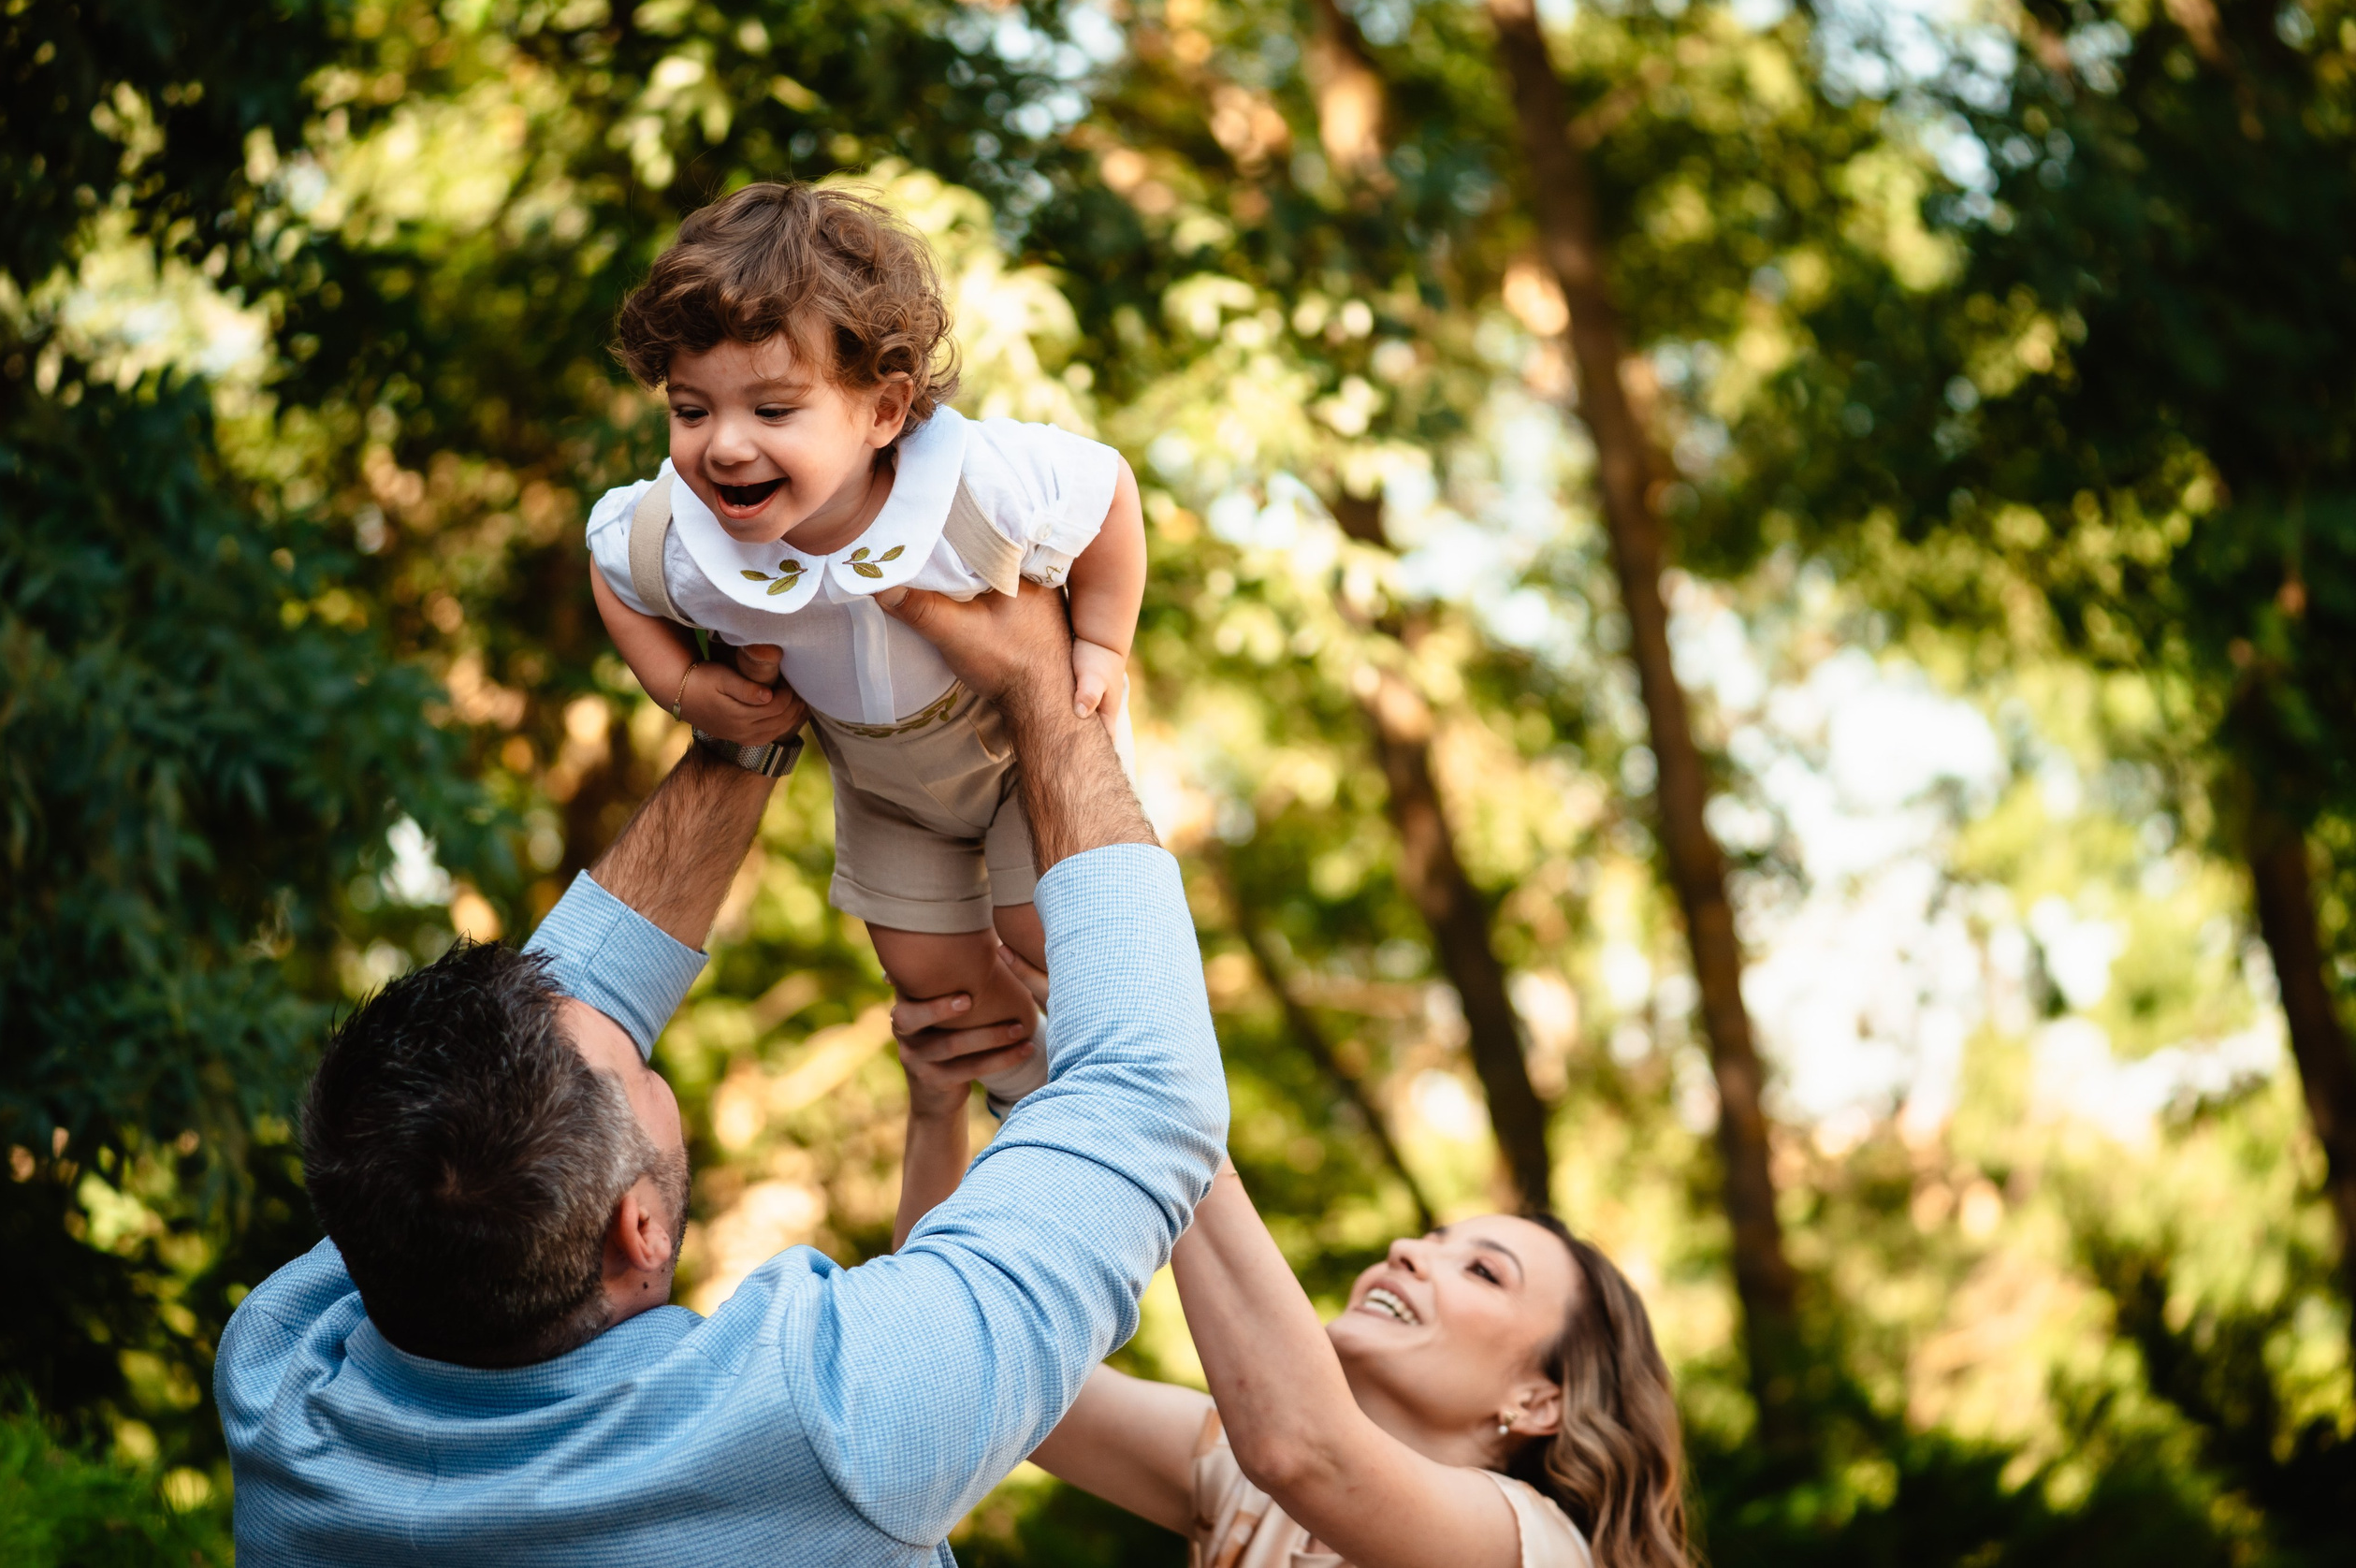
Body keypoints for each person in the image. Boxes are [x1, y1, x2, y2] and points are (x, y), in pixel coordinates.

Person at [214, 581, 1227, 1566]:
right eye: (640, 1066)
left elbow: (574, 1005)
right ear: (639, 1231)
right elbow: (1142, 1092)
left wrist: (751, 728)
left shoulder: (288, 1381)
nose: (630, 1026)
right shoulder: (825, 1429)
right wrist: (1045, 691)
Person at [586, 180, 1146, 1111]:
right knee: (933, 979)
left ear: (884, 410)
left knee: (1046, 930)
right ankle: (1033, 1099)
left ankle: (1140, 1099)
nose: (723, 447)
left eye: (772, 411)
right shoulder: (685, 541)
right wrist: (680, 685)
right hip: (885, 790)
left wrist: (1102, 643)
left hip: (1020, 753)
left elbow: (1107, 492)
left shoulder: (975, 488)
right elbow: (613, 566)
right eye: (691, 411)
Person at [893, 962, 1693, 1568]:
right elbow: (969, 1367)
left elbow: (1304, 1449)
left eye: (1483, 1270)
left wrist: (1149, 1077)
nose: (1409, 1250)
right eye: (1431, 1238)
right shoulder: (1241, 1476)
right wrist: (940, 1105)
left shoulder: (1536, 1546)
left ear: (1539, 1400)